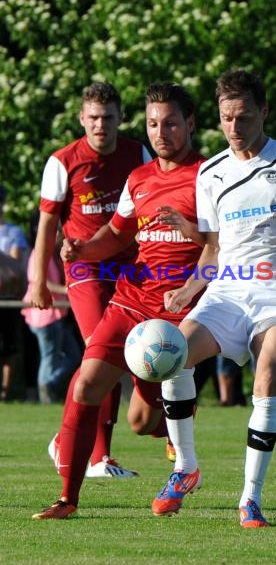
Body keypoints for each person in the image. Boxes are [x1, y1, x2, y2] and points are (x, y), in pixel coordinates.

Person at [150, 69, 276, 528]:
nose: (234, 128)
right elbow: (212, 252)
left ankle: (250, 497)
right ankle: (185, 468)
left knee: (269, 367)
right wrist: (189, 289)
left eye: (244, 117)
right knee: (171, 356)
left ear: (264, 112)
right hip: (227, 292)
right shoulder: (211, 171)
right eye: (226, 118)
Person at [32, 81, 206, 520]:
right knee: (85, 383)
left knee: (139, 421)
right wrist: (81, 250)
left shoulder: (211, 176)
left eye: (170, 123)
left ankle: (173, 432)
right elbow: (115, 234)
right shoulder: (139, 177)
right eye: (152, 123)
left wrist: (191, 237)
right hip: (130, 300)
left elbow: (223, 245)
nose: (160, 132)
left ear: (190, 124)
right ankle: (67, 499)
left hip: (177, 310)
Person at [31, 82, 151, 477]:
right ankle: (96, 457)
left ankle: (81, 447)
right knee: (103, 351)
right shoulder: (63, 162)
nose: (101, 125)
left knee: (116, 357)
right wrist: (37, 281)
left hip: (132, 269)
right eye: (94, 118)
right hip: (86, 269)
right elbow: (47, 228)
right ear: (82, 118)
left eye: (108, 117)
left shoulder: (139, 153)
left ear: (120, 118)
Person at [21, 211, 82, 403]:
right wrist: (68, 290)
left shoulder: (52, 255)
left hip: (55, 315)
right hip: (44, 316)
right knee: (49, 358)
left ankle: (49, 384)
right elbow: (40, 283)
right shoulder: (38, 255)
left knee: (73, 356)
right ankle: (45, 394)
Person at [0, 184, 29, 401]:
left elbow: (16, 270)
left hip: (8, 298)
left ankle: (5, 393)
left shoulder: (13, 232)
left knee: (9, 348)